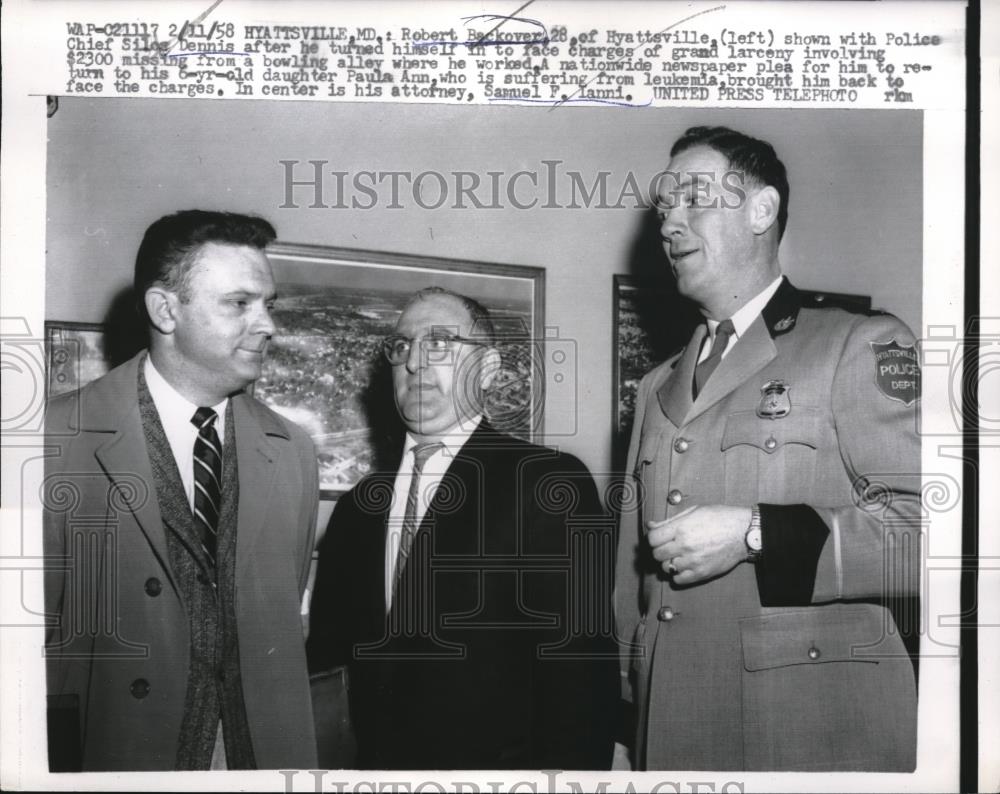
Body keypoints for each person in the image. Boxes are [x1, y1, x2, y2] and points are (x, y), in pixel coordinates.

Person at [614, 126, 921, 771]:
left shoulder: (858, 344)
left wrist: (758, 532)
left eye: (693, 197)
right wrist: (623, 720)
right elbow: (631, 579)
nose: (670, 221)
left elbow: (931, 536)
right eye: (664, 206)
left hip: (810, 732)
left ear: (763, 210)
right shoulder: (653, 387)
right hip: (670, 726)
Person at [43, 210, 319, 771]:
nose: (267, 324)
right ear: (165, 310)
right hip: (115, 758)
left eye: (269, 304)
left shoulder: (291, 449)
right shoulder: (54, 439)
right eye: (240, 303)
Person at [307, 287, 618, 770]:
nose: (415, 363)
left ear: (489, 369)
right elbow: (327, 666)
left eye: (441, 344)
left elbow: (580, 680)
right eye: (403, 346)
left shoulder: (545, 483)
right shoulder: (356, 510)